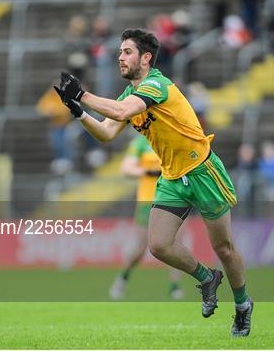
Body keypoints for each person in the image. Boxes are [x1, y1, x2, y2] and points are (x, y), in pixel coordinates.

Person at [54, 28, 253, 337]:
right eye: (119, 52)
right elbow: (107, 133)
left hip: (203, 172)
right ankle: (207, 278)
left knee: (224, 248)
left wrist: (83, 94)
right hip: (172, 177)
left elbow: (121, 111)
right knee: (158, 245)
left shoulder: (157, 85)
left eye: (127, 52)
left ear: (146, 58)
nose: (120, 57)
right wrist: (78, 111)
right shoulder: (128, 95)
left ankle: (242, 306)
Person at [109, 135, 184, 300]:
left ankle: (175, 286)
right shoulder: (141, 142)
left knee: (176, 244)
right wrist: (147, 171)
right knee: (141, 248)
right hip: (147, 201)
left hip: (174, 198)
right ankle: (123, 277)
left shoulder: (172, 137)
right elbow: (126, 168)